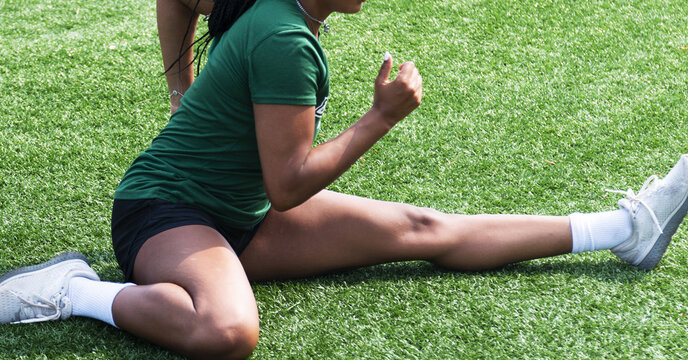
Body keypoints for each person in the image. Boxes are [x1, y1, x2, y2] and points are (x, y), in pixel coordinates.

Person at [1, 0, 688, 359]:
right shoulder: (284, 39)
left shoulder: (283, 16)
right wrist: (377, 119)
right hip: (165, 212)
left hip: (238, 218)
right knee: (226, 333)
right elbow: (289, 188)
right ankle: (76, 290)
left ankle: (626, 230)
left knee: (424, 228)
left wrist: (183, 91)